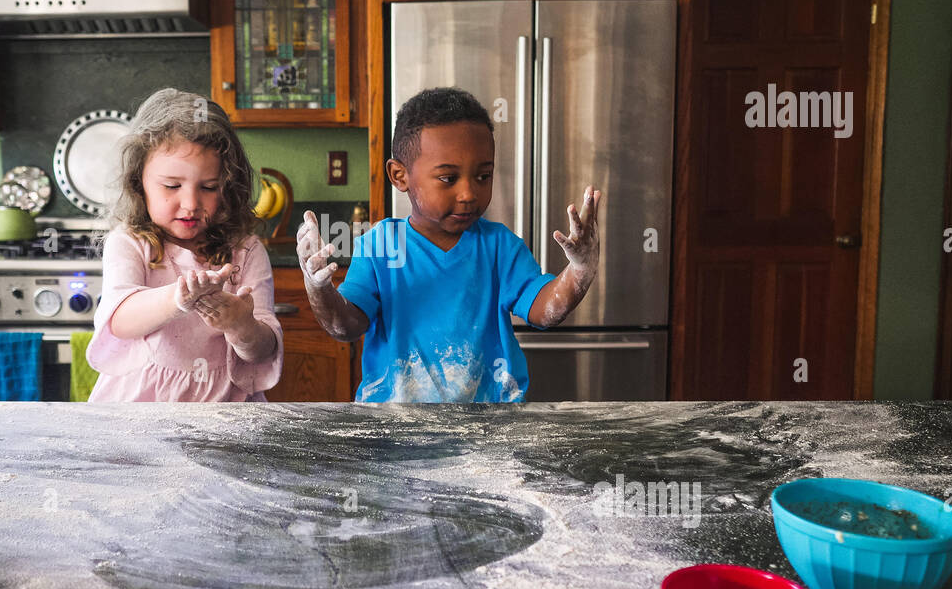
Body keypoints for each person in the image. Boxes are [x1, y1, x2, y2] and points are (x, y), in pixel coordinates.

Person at [297, 87, 601, 402]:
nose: (469, 193)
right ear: (400, 176)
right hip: (397, 429)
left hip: (490, 428)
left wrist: (580, 269)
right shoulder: (380, 247)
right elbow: (345, 326)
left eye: (483, 176)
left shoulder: (500, 247)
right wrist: (317, 289)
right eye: (448, 178)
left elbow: (544, 311)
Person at [87, 88, 282, 402]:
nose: (191, 204)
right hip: (136, 418)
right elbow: (119, 320)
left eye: (208, 187)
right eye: (172, 186)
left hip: (226, 418)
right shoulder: (129, 243)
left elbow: (263, 349)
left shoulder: (245, 251)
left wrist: (240, 325)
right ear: (139, 182)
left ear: (228, 186)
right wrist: (178, 299)